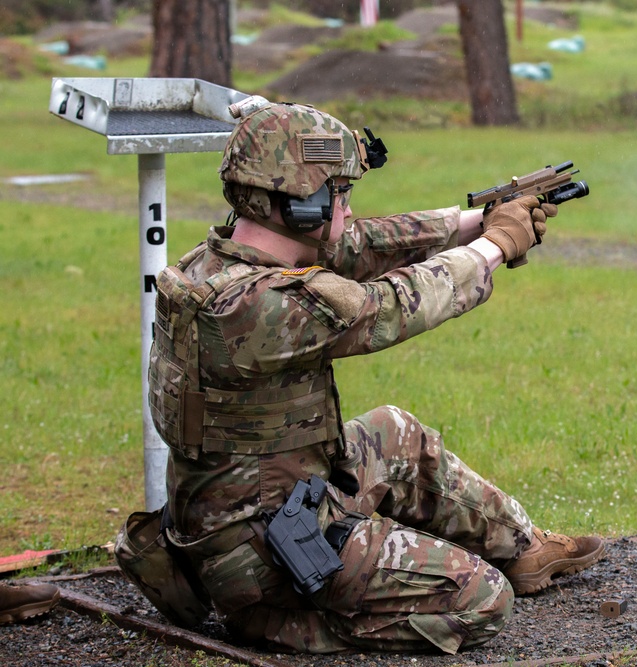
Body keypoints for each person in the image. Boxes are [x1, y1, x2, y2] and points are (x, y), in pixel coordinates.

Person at [133, 99, 604, 655]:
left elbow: (358, 246)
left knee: (394, 432)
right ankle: (272, 623)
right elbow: (390, 307)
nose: (349, 209)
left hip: (265, 502)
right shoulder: (259, 307)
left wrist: (471, 221)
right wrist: (494, 246)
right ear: (300, 204)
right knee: (481, 601)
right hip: (267, 552)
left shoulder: (216, 264)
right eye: (339, 194)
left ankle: (524, 547)